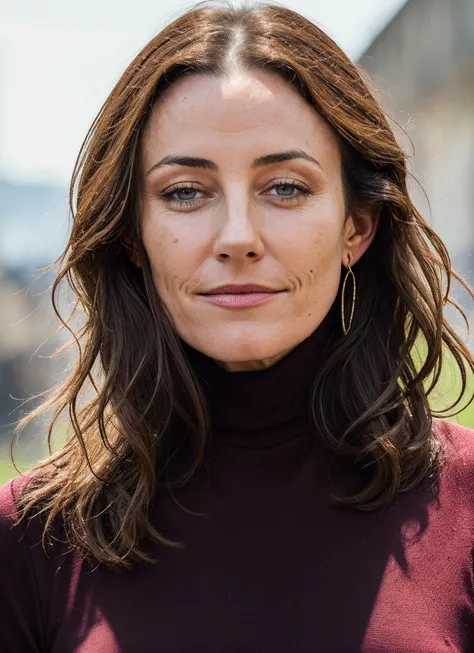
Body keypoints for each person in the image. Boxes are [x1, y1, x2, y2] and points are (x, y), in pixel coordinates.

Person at [1, 1, 474, 651]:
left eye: (284, 187)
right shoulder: (29, 539)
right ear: (134, 235)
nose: (237, 237)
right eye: (186, 192)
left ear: (357, 226)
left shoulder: (468, 505)